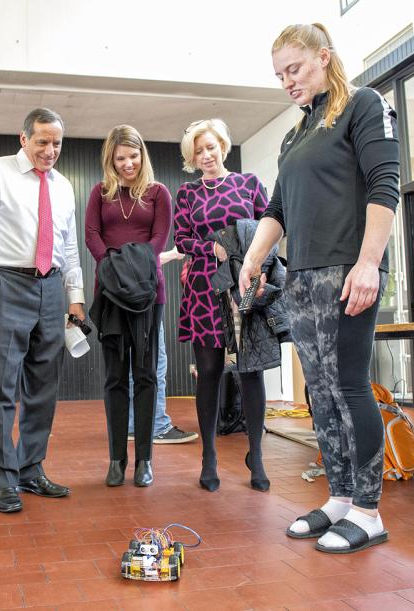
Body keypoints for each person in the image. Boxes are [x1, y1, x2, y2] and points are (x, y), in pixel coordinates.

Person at [240, 23, 399, 553]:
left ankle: (368, 511)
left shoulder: (363, 106)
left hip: (347, 270)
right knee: (321, 392)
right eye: (280, 74)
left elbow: (384, 187)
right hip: (302, 278)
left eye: (296, 68)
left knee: (350, 386)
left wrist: (369, 264)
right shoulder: (295, 133)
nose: (287, 81)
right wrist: (255, 256)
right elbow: (278, 209)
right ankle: (340, 497)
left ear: (323, 57)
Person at [0, 107, 85, 512]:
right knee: (2, 389)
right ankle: (2, 479)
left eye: (56, 142)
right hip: (5, 284)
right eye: (42, 141)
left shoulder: (63, 186)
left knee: (43, 388)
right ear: (23, 139)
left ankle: (30, 469)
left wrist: (74, 296)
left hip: (51, 289)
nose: (49, 150)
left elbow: (70, 247)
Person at [174, 119, 271, 492]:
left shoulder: (248, 183)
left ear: (223, 147)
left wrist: (260, 266)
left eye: (210, 147)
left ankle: (257, 456)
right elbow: (181, 238)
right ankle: (209, 455)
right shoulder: (186, 193)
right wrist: (209, 248)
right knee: (209, 372)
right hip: (203, 288)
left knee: (251, 369)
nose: (206, 155)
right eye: (198, 151)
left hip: (245, 285)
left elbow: (269, 226)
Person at [85, 124, 171, 487]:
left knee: (147, 375)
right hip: (111, 296)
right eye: (120, 158)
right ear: (111, 159)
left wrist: (132, 265)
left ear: (142, 156)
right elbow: (91, 233)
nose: (127, 164)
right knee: (115, 378)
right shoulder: (99, 193)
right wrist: (111, 266)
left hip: (148, 295)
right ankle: (117, 460)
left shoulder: (157, 192)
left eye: (133, 156)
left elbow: (159, 237)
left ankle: (145, 461)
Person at [127, 246, 198, 445]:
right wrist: (173, 254)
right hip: (145, 294)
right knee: (155, 364)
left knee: (136, 365)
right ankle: (157, 426)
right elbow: (140, 258)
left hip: (127, 293)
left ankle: (133, 425)